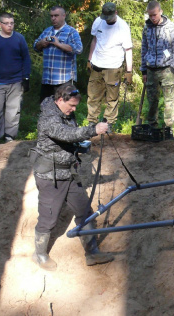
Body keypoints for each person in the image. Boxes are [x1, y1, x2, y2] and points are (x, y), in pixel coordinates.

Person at [30, 84, 115, 270]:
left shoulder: (65, 113)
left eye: (76, 106)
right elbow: (65, 134)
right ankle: (39, 255)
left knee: (85, 212)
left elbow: (70, 137)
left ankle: (92, 253)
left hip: (69, 173)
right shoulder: (48, 117)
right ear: (60, 100)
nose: (74, 110)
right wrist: (93, 130)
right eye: (72, 106)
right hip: (50, 177)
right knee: (48, 218)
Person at [0, 12, 31, 143]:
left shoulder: (19, 38)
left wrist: (26, 78)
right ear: (0, 24)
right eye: (6, 23)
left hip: (16, 81)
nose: (10, 26)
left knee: (13, 111)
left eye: (12, 23)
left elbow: (26, 58)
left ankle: (9, 137)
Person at [86, 2, 133, 129]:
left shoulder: (122, 26)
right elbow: (94, 40)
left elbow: (128, 50)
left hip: (113, 67)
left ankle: (108, 124)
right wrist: (89, 60)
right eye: (105, 16)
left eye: (109, 17)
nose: (106, 19)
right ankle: (92, 123)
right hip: (97, 65)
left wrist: (129, 72)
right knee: (93, 96)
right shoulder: (98, 21)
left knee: (112, 99)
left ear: (115, 13)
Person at [140, 0, 174, 129]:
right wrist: (144, 70)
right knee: (152, 100)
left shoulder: (171, 28)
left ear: (161, 12)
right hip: (151, 69)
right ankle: (153, 126)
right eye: (150, 15)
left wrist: (173, 67)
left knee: (169, 100)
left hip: (166, 69)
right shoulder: (147, 28)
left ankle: (168, 128)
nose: (152, 18)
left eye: (155, 15)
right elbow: (144, 48)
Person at [34, 6, 83, 103]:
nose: (53, 18)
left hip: (64, 80)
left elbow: (79, 49)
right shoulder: (47, 31)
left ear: (64, 16)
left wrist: (58, 44)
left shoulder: (71, 32)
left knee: (65, 108)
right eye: (51, 16)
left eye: (56, 15)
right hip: (47, 79)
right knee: (45, 108)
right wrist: (41, 43)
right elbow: (35, 46)